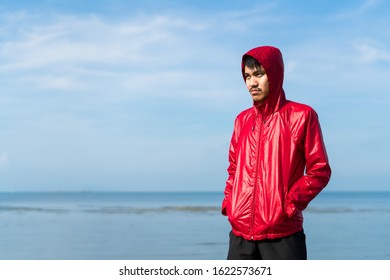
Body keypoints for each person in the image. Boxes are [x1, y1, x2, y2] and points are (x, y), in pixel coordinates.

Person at [221, 46, 331, 260]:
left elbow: (319, 170)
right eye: (247, 76)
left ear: (274, 74)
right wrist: (230, 204)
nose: (252, 83)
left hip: (283, 237)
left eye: (259, 74)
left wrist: (288, 205)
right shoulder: (242, 120)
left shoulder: (302, 116)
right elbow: (233, 169)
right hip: (240, 236)